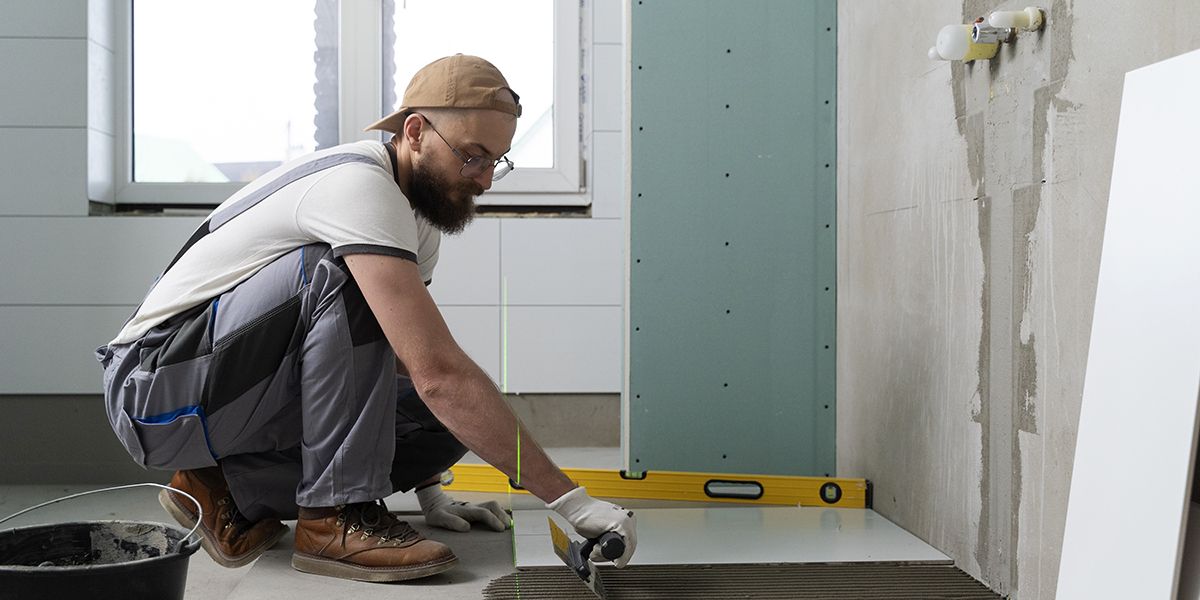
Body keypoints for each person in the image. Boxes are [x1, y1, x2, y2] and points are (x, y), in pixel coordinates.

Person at [96, 54, 636, 583]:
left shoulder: (415, 220)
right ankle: (336, 517)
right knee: (352, 287)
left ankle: (225, 488)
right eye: (473, 157)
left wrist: (431, 492)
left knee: (445, 417)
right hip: (153, 389)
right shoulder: (359, 185)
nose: (486, 180)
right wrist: (572, 502)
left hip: (228, 391)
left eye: (497, 161)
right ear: (416, 131)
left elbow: (399, 360)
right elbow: (437, 371)